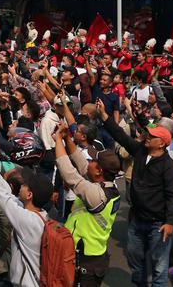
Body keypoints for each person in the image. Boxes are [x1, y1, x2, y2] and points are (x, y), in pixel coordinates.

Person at [96, 99, 173, 287]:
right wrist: (105, 116)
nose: (147, 136)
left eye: (153, 136)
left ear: (162, 144)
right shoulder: (140, 151)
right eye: (148, 133)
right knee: (136, 263)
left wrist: (170, 222)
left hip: (158, 225)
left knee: (159, 268)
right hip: (136, 220)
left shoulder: (169, 167)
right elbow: (120, 136)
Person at [0, 125, 51, 287]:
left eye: (25, 185)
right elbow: (7, 194)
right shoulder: (39, 214)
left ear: (29, 195)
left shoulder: (26, 220)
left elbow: (2, 195)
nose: (21, 186)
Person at [51, 122, 119, 287]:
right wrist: (67, 138)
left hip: (86, 262)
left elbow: (69, 173)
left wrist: (58, 140)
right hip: (92, 257)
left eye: (94, 161)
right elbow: (80, 162)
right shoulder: (107, 186)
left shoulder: (96, 195)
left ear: (99, 171)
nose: (90, 161)